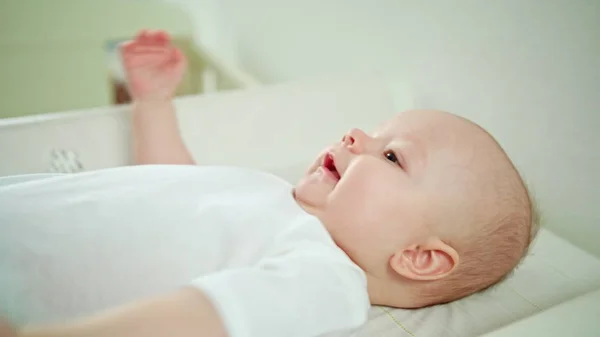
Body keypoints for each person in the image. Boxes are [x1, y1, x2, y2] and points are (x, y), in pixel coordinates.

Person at [0, 30, 538, 337]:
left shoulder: (328, 280)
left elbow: (204, 319)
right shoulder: (275, 200)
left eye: (392, 155)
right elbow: (172, 183)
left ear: (420, 257)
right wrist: (153, 103)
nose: (355, 135)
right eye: (376, 133)